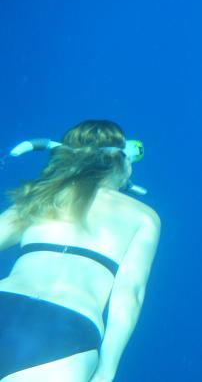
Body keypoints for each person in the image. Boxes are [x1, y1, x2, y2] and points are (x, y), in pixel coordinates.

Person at [0, 120, 161, 382]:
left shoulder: (41, 194)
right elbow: (130, 295)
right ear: (121, 159)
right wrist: (107, 370)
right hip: (69, 332)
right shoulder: (144, 217)